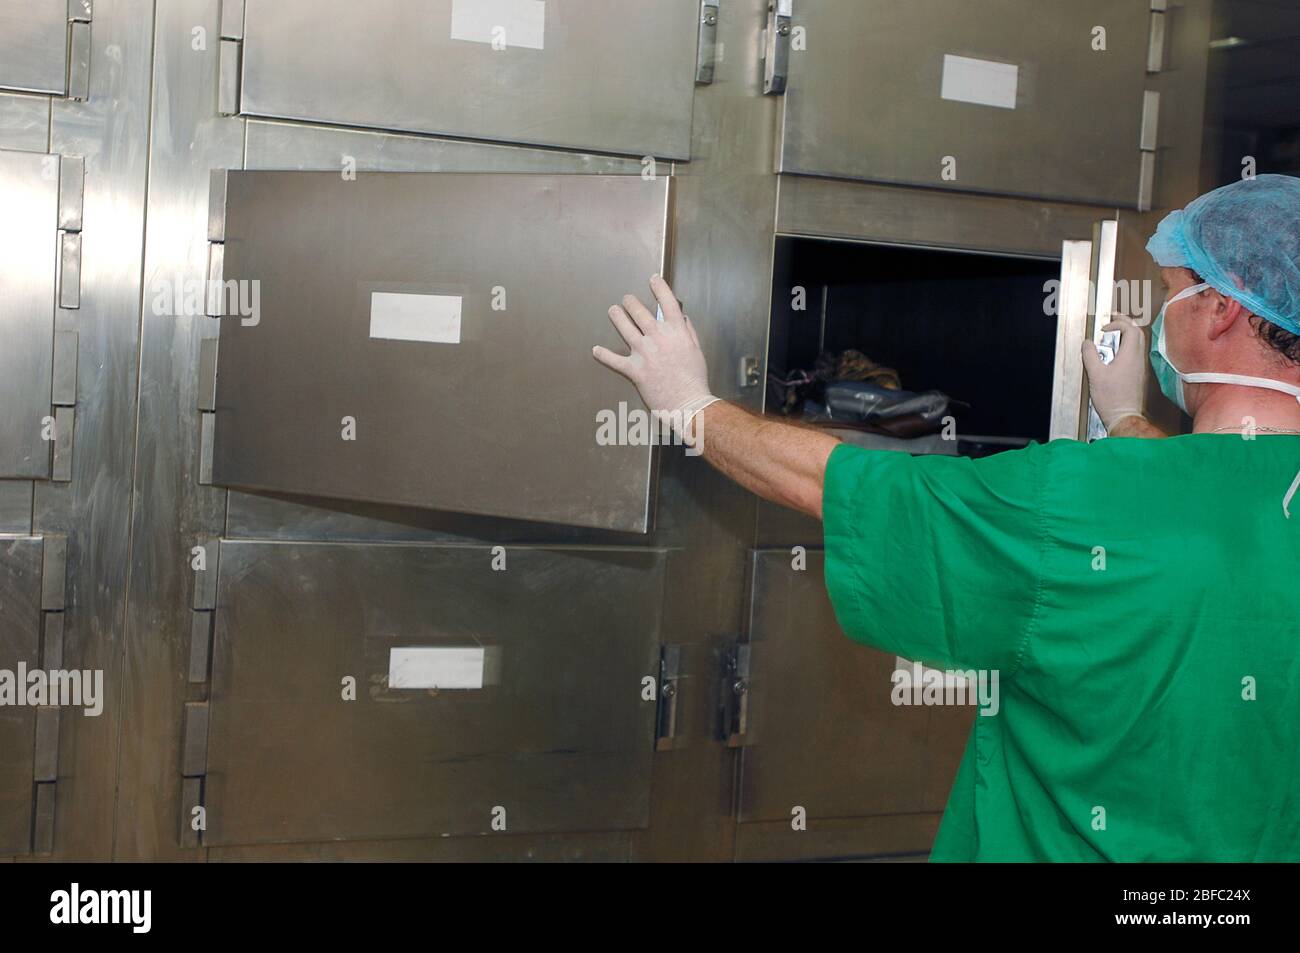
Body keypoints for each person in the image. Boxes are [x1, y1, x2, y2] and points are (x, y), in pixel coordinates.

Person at [591, 174, 1300, 862]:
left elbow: (848, 486)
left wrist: (692, 407)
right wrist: (1124, 417)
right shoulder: (1163, 487)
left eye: (1176, 293)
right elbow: (1212, 494)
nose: (1158, 317)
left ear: (1223, 311)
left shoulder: (1076, 500)